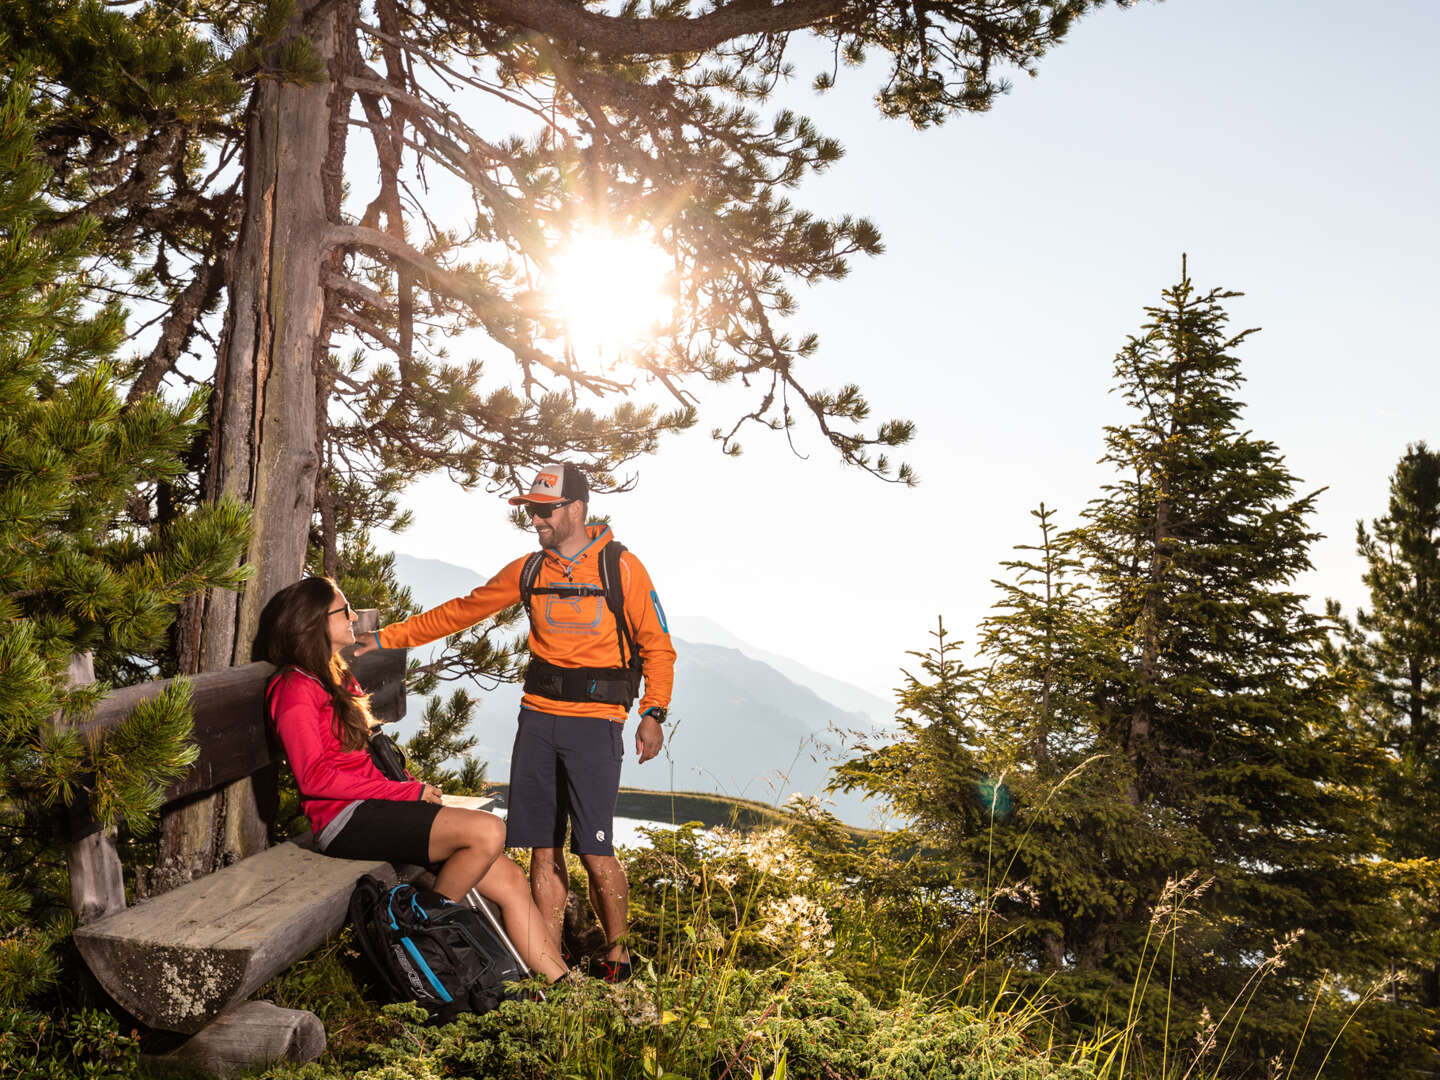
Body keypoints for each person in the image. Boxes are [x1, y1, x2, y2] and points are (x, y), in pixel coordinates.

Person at [354, 464, 675, 982]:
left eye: (545, 510)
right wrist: (388, 638)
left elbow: (657, 646)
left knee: (594, 849)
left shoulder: (622, 567)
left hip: (596, 724)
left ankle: (618, 956)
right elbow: (462, 610)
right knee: (541, 850)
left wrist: (653, 712)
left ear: (575, 508)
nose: (536, 520)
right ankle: (548, 966)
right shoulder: (530, 570)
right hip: (538, 721)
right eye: (531, 510)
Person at [259, 575, 568, 982]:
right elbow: (314, 778)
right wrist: (404, 792)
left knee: (509, 877)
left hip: (375, 807)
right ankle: (419, 934)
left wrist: (407, 791)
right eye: (343, 610)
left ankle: (567, 991)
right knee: (488, 832)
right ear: (313, 621)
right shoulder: (295, 688)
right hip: (344, 820)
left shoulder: (334, 676)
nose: (354, 616)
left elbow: (363, 763)